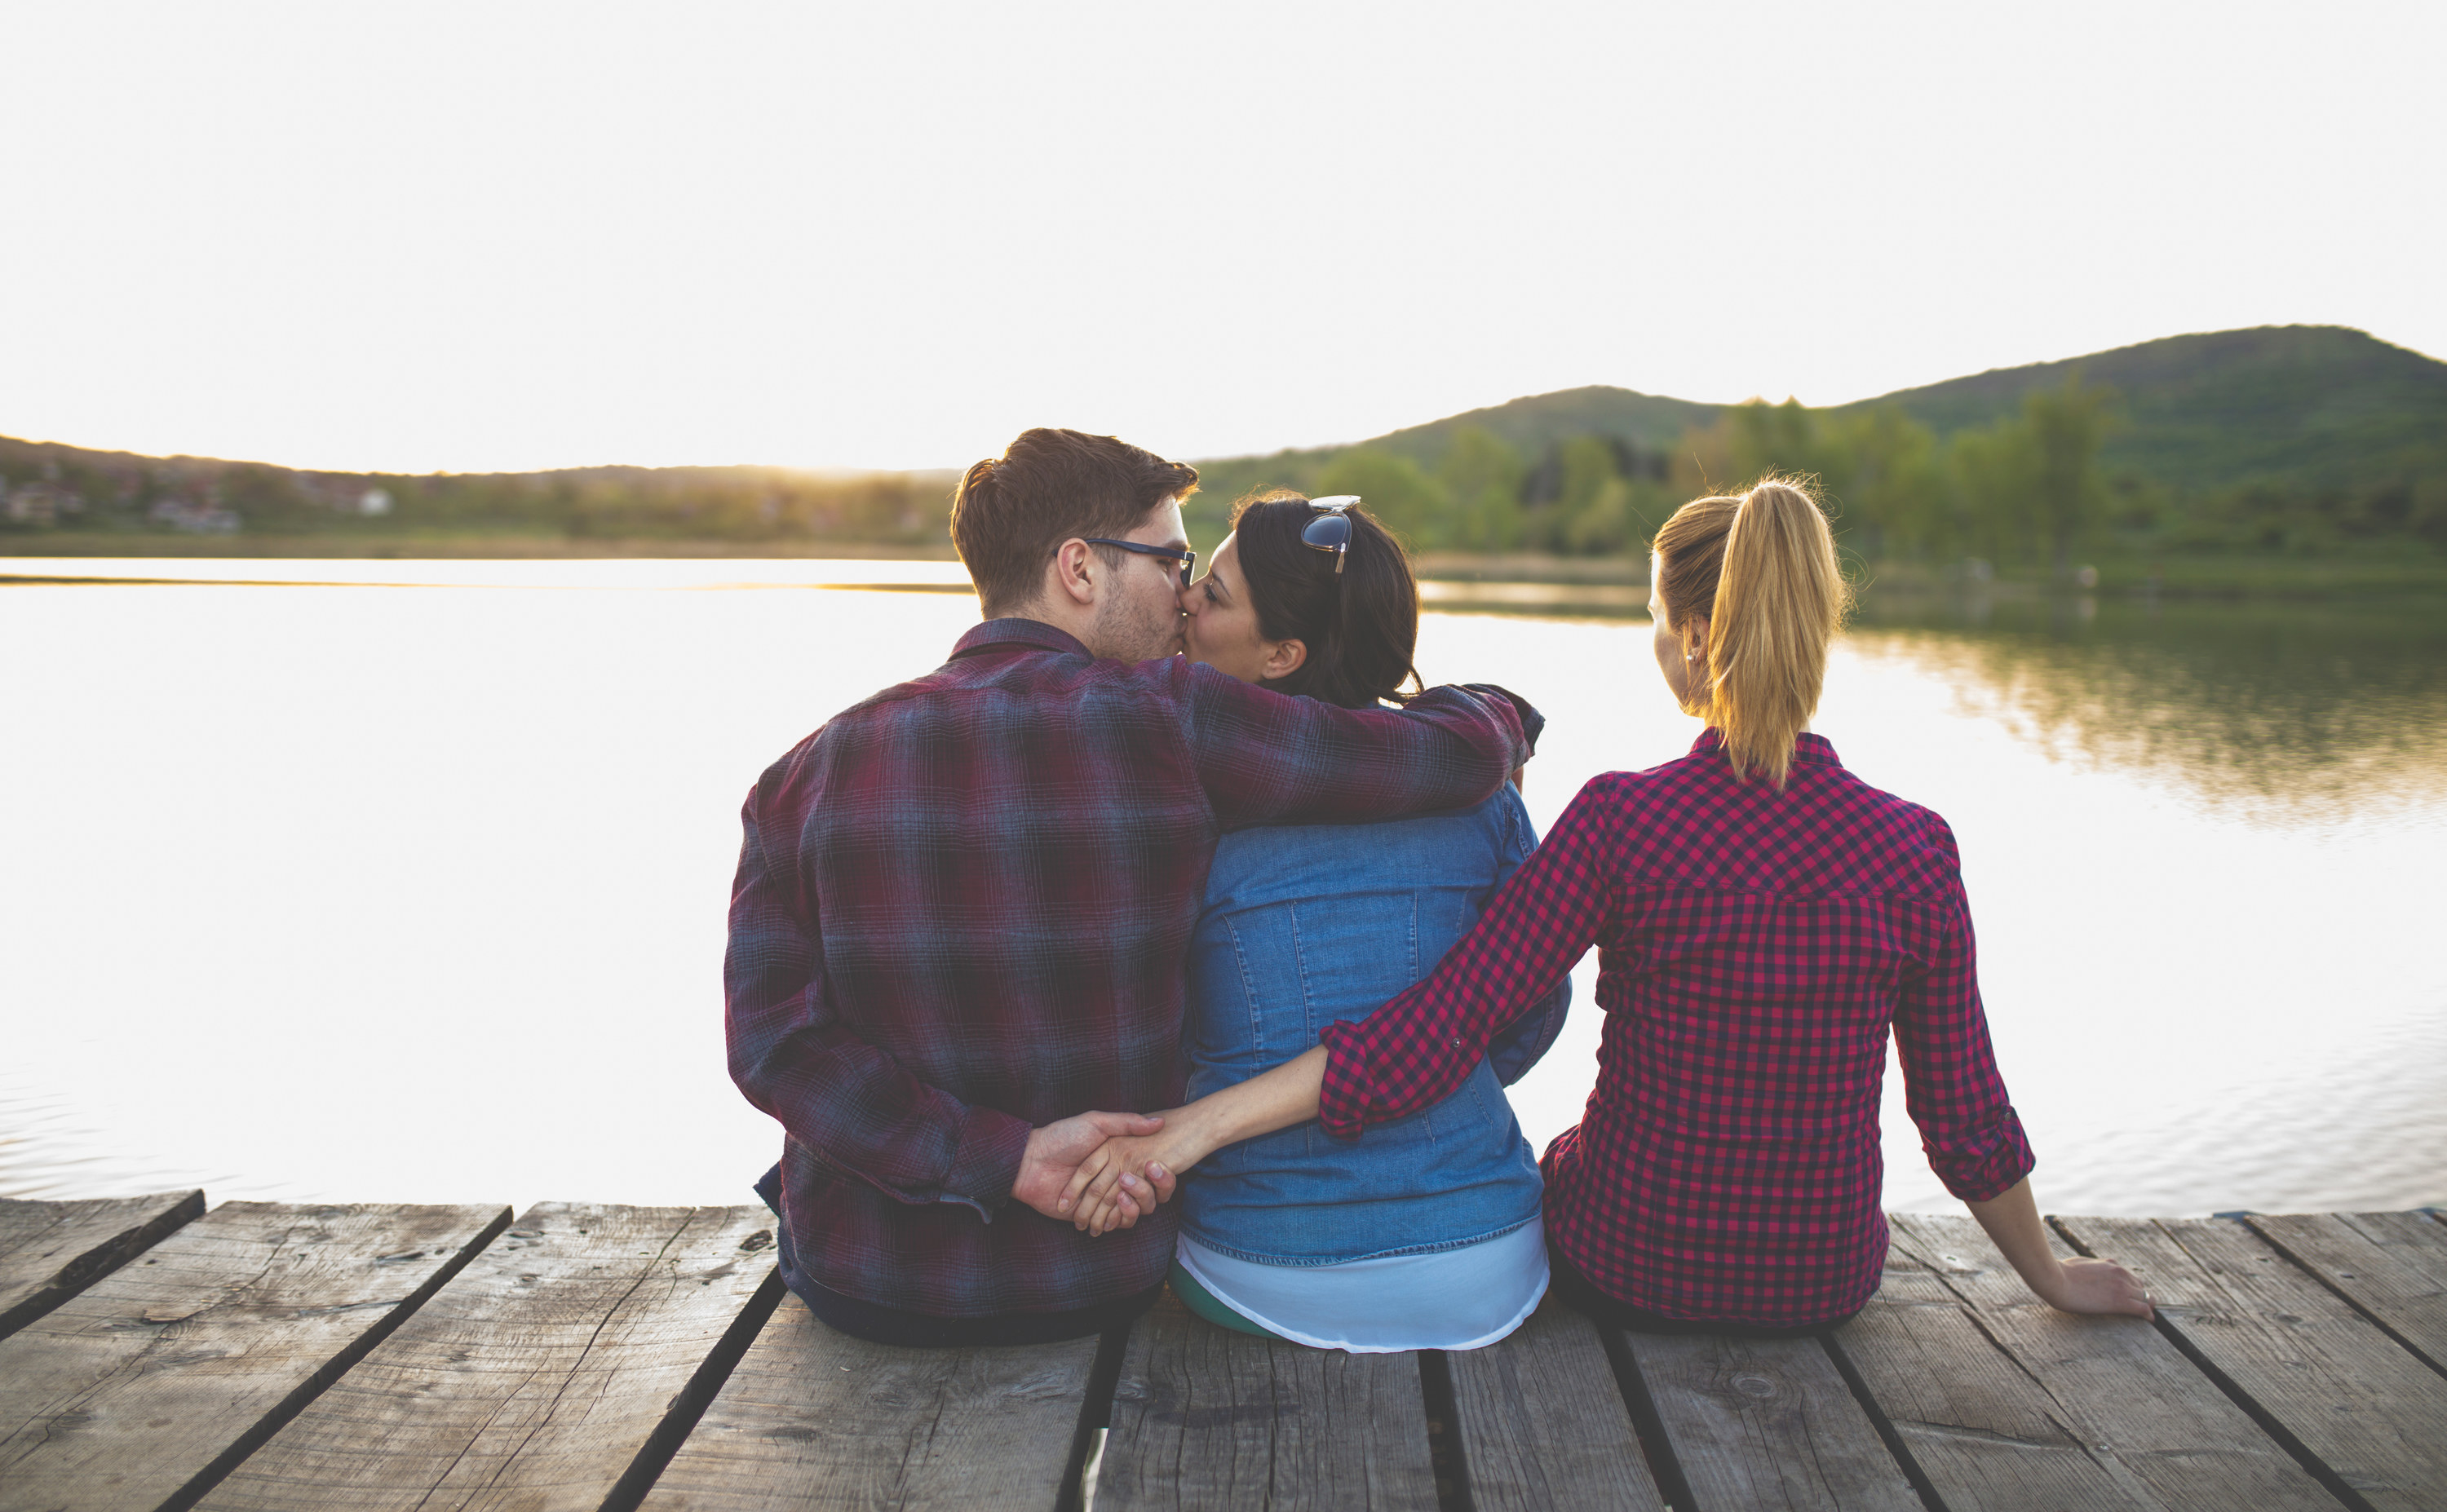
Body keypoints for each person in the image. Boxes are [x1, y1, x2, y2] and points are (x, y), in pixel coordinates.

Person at [1067, 478, 2153, 1332]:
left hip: (1632, 1266)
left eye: (1650, 616)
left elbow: (1435, 1037)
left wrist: (1193, 1130)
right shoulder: (1915, 848)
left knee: (1563, 1164)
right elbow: (1962, 1115)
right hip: (1826, 1284)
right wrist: (2051, 1277)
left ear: (1687, 640)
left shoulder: (1627, 821)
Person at [723, 428, 1541, 1347]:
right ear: (1080, 567)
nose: (1182, 596)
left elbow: (771, 1047)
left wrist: (1007, 1158)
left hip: (866, 1286)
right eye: (1171, 560)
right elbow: (1425, 757)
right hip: (1095, 1274)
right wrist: (1500, 715)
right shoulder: (1171, 720)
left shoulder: (798, 777)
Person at [1118, 490, 1573, 1351]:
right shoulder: (1479, 790)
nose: (1185, 601)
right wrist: (1429, 1105)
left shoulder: (1184, 805)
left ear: (1284, 653)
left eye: (1211, 594)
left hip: (1261, 1263)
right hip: (1490, 1260)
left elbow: (1150, 1035)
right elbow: (1533, 1011)